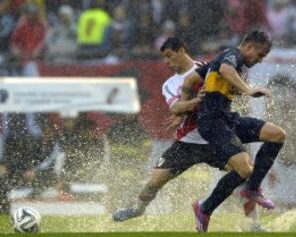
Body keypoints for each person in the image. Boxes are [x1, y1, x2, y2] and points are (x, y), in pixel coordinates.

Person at [112, 37, 266, 231]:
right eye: (165, 59)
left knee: (244, 173)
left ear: (182, 50)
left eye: (169, 56)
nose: (167, 63)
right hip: (187, 142)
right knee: (154, 183)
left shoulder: (206, 66)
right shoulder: (169, 84)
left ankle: (253, 224)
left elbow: (229, 81)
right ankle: (138, 209)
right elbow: (175, 107)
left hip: (214, 138)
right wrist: (192, 104)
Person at [180, 29, 286, 232]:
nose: (260, 60)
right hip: (212, 123)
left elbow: (189, 80)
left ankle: (251, 189)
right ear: (248, 46)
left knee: (277, 135)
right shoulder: (233, 55)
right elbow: (226, 70)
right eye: (260, 55)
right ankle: (205, 207)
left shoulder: (223, 60)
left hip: (227, 119)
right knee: (244, 169)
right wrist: (248, 89)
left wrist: (186, 106)